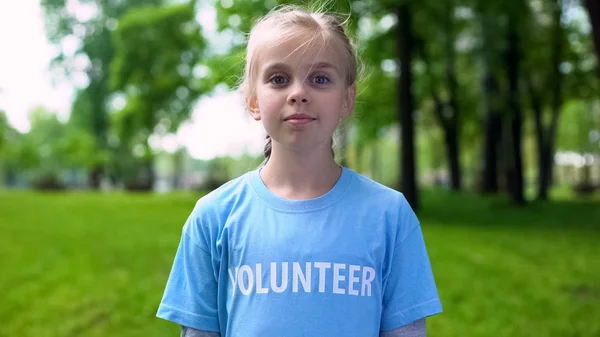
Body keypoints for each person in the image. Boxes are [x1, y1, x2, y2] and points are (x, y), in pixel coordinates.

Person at [156, 4, 442, 337]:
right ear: (253, 101)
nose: (298, 94)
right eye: (278, 79)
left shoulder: (390, 216)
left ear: (347, 99)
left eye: (320, 79)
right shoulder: (214, 217)